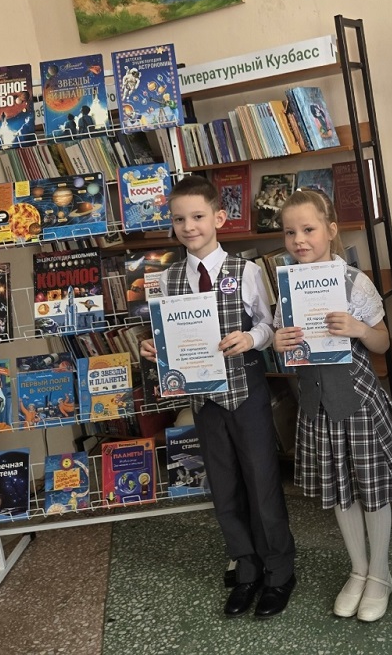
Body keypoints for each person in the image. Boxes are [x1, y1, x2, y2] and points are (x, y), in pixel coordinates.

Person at [140, 175, 297, 619]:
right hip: (204, 401)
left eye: (197, 216)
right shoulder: (165, 279)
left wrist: (251, 339)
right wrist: (152, 347)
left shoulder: (245, 271)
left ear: (219, 218)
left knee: (261, 483)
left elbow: (268, 326)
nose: (189, 226)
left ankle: (279, 571)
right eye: (179, 219)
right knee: (224, 487)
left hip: (245, 393)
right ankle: (246, 567)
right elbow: (164, 335)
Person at [273, 189, 392, 622]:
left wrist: (358, 328)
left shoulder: (354, 281)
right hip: (316, 405)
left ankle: (380, 573)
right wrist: (279, 344)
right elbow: (287, 351)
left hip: (356, 401)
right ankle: (358, 568)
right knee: (340, 489)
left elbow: (383, 343)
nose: (299, 240)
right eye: (290, 232)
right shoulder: (287, 287)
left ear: (331, 230)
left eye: (309, 229)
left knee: (372, 489)